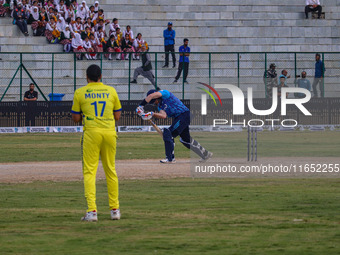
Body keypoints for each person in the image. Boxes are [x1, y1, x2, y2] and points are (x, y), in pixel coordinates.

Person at [71, 64, 122, 222]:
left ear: (87, 77)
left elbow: (76, 118)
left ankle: (92, 212)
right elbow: (118, 116)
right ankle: (115, 210)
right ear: (101, 76)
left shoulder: (80, 92)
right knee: (110, 171)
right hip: (109, 132)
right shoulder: (111, 91)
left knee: (89, 172)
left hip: (91, 133)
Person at [136, 88, 213, 163]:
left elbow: (151, 96)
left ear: (156, 96)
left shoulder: (165, 94)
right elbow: (163, 115)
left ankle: (170, 158)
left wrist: (141, 106)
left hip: (184, 115)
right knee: (185, 139)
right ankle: (205, 154)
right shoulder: (160, 106)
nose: (155, 102)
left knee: (168, 133)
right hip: (180, 117)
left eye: (155, 100)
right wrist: (152, 114)